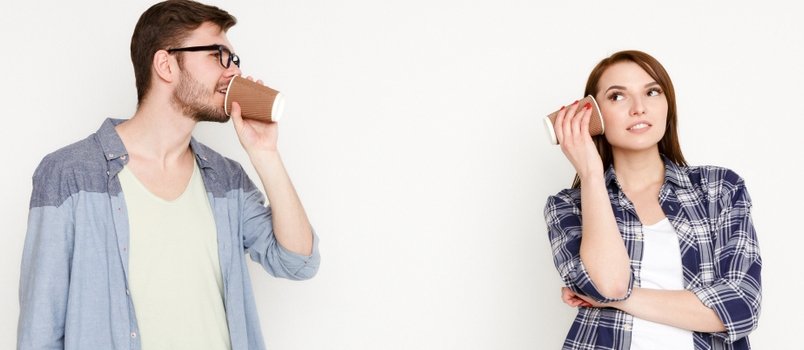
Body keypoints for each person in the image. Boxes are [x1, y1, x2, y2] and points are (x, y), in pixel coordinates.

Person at [17, 1, 320, 349]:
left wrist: (265, 154)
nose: (232, 72)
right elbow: (39, 333)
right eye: (217, 54)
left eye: (234, 59)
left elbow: (298, 262)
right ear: (165, 64)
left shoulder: (226, 180)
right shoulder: (69, 175)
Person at [543, 50, 761, 349]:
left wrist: (618, 300)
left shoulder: (718, 188)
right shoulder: (567, 206)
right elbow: (611, 284)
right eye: (617, 97)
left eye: (652, 92)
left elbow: (739, 308)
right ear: (592, 114)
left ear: (667, 104)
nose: (639, 108)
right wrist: (591, 173)